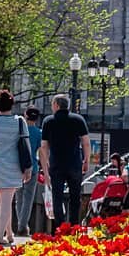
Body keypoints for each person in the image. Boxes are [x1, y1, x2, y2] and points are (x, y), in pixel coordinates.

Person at [0, 88, 31, 247]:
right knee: (6, 200)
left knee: (5, 200)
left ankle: (9, 234)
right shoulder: (20, 122)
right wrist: (28, 167)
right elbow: (26, 145)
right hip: (13, 164)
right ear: (12, 104)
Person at [39, 92, 91, 232]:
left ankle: (59, 228)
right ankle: (74, 226)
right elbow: (85, 142)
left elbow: (44, 146)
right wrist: (87, 160)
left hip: (56, 164)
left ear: (56, 105)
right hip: (74, 163)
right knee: (75, 197)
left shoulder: (48, 121)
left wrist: (45, 165)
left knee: (57, 196)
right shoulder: (78, 120)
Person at [13, 107, 43, 236]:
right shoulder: (39, 133)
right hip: (33, 167)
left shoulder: (18, 131)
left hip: (18, 166)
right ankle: (22, 226)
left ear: (25, 116)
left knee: (18, 197)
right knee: (28, 198)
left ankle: (21, 224)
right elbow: (41, 152)